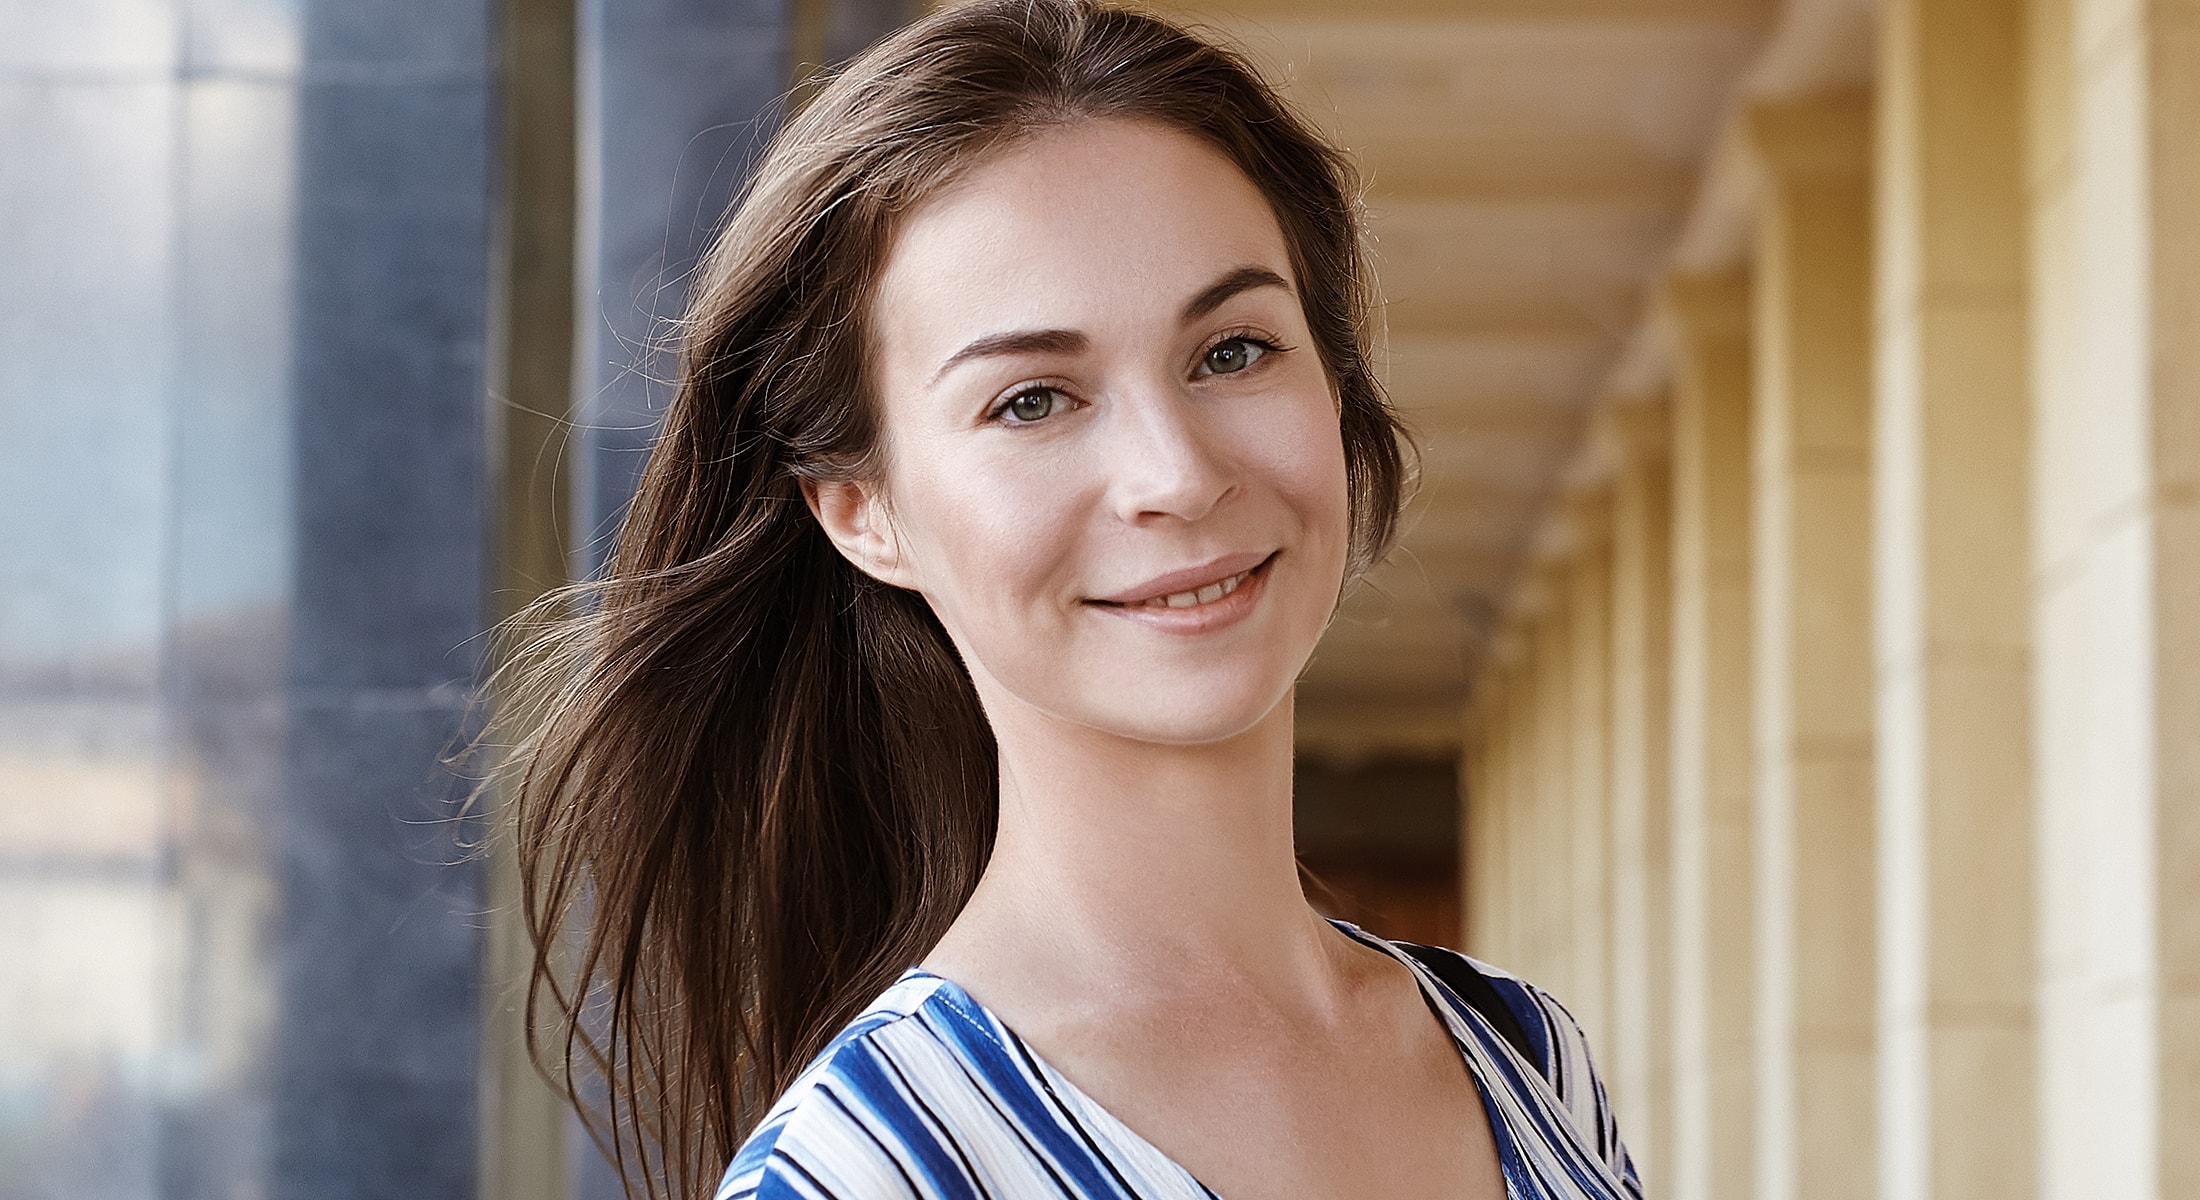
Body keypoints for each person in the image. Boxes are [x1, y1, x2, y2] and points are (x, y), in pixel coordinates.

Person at [503, 2, 1641, 1197]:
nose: (1178, 475)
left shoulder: (1527, 1060)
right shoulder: (863, 1171)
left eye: (1233, 351)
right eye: (1032, 400)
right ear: (860, 510)